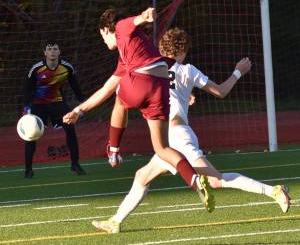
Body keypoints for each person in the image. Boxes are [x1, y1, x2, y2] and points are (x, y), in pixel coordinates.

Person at [91, 27, 291, 233]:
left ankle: (273, 190)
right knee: (142, 176)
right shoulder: (187, 70)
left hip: (172, 138)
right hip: (176, 136)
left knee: (215, 179)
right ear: (182, 51)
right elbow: (221, 91)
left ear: (160, 48)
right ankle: (115, 221)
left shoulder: (149, 68)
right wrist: (238, 71)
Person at [63, 8, 215, 212]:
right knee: (162, 148)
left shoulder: (119, 28)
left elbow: (129, 23)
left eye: (102, 35)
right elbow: (104, 88)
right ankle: (195, 181)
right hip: (160, 88)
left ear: (105, 30)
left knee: (119, 100)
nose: (104, 40)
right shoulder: (130, 53)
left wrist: (144, 17)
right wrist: (79, 110)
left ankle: (113, 150)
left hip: (143, 81)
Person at [23, 40, 86, 178]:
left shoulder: (67, 68)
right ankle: (28, 169)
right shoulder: (36, 69)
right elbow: (28, 89)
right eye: (49, 49)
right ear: (45, 52)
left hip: (58, 103)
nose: (52, 51)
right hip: (38, 105)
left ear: (59, 52)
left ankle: (75, 164)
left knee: (71, 129)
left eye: (55, 49)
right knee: (31, 136)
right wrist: (26, 108)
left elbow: (75, 86)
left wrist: (83, 103)